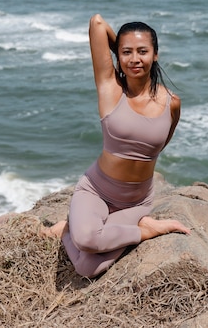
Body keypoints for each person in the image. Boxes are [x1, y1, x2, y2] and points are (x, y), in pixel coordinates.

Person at [45, 14, 190, 277]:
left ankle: (68, 229)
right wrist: (119, 47)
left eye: (143, 51)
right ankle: (143, 231)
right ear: (118, 56)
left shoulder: (172, 103)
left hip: (136, 202)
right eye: (127, 52)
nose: (135, 59)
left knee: (88, 267)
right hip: (97, 190)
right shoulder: (110, 88)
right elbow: (97, 23)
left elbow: (156, 148)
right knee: (88, 240)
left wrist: (124, 49)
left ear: (155, 54)